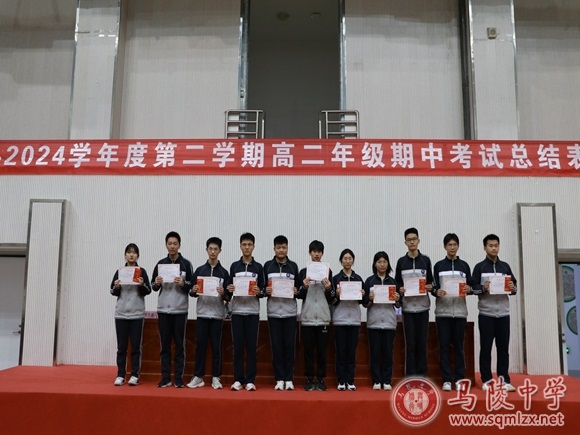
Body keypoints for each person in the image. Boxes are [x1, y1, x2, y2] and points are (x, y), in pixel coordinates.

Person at [472, 234, 518, 392]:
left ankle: (504, 380)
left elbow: (514, 287)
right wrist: (483, 288)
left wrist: (512, 288)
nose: (494, 248)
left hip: (503, 313)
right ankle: (486, 380)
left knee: (503, 348)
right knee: (486, 347)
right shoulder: (479, 267)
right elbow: (473, 287)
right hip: (486, 314)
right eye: (490, 246)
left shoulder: (505, 267)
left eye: (496, 245)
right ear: (484, 247)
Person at [151, 231, 193, 388]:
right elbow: (153, 286)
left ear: (179, 245)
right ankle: (165, 377)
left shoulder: (186, 264)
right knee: (165, 346)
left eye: (175, 243)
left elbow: (192, 288)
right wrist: (157, 282)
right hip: (163, 310)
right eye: (170, 244)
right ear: (166, 245)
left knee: (180, 346)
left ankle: (178, 378)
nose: (172, 246)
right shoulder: (161, 264)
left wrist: (183, 284)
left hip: (180, 310)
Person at [187, 237, 230, 390]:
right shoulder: (200, 271)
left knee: (216, 347)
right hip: (202, 314)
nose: (213, 252)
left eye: (215, 249)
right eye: (210, 249)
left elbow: (228, 297)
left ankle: (216, 377)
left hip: (217, 315)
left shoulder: (224, 273)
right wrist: (194, 290)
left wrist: (224, 293)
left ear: (220, 251)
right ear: (206, 250)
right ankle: (198, 376)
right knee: (200, 346)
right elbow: (191, 292)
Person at [432, 233, 473, 391]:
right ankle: (447, 380)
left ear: (458, 246)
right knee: (443, 347)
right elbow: (433, 287)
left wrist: (469, 289)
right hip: (443, 313)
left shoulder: (464, 266)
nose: (452, 247)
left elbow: (471, 286)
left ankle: (460, 379)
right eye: (449, 245)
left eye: (455, 244)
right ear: (444, 247)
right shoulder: (439, 266)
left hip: (460, 312)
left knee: (459, 348)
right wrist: (436, 292)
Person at [296, 240, 337, 392]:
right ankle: (309, 379)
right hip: (307, 318)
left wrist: (329, 288)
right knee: (308, 351)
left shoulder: (328, 272)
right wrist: (304, 286)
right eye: (314, 251)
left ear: (322, 253)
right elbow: (298, 294)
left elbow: (332, 298)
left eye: (319, 251)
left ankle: (320, 379)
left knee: (321, 351)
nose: (316, 254)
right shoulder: (303, 272)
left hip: (323, 317)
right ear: (310, 253)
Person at [226, 233, 265, 391]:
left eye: (249, 244)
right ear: (240, 246)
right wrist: (229, 289)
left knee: (251, 347)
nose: (247, 247)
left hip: (252, 313)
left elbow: (263, 291)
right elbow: (228, 292)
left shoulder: (258, 267)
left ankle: (250, 380)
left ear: (253, 246)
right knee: (237, 347)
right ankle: (238, 379)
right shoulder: (234, 267)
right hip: (237, 312)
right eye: (244, 244)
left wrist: (258, 291)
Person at [110, 243, 151, 386]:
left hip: (136, 314)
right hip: (121, 314)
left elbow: (148, 290)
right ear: (125, 255)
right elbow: (112, 291)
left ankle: (134, 374)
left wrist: (141, 285)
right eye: (129, 252)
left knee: (135, 346)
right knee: (121, 347)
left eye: (134, 252)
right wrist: (116, 286)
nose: (131, 255)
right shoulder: (120, 271)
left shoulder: (142, 272)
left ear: (138, 255)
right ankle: (121, 374)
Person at [395, 227, 433, 378]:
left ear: (419, 241)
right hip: (408, 309)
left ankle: (422, 376)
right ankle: (410, 376)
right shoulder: (401, 262)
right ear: (405, 242)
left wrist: (430, 286)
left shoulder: (425, 260)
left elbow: (431, 282)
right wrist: (400, 289)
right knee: (410, 344)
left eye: (414, 239)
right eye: (409, 240)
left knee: (422, 344)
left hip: (423, 308)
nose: (412, 242)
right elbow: (397, 283)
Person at [263, 235, 301, 391]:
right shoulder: (267, 266)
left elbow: (299, 289)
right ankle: (279, 378)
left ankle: (289, 378)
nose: (281, 250)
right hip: (273, 313)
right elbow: (262, 288)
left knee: (289, 346)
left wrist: (296, 290)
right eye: (278, 247)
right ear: (274, 249)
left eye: (284, 247)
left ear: (287, 248)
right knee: (277, 347)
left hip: (289, 313)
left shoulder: (293, 267)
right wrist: (266, 290)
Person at [363, 251, 401, 390]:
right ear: (375, 264)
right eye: (379, 262)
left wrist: (397, 299)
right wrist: (369, 298)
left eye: (384, 261)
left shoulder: (393, 282)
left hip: (389, 323)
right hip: (374, 323)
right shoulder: (369, 281)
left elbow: (398, 305)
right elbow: (364, 303)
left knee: (388, 353)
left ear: (388, 264)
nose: (382, 264)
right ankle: (377, 381)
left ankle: (387, 380)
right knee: (375, 353)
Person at [331, 248, 364, 391]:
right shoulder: (336, 279)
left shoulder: (358, 279)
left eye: (350, 258)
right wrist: (336, 295)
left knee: (351, 352)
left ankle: (350, 380)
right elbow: (331, 301)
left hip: (355, 320)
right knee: (341, 351)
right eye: (345, 258)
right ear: (341, 261)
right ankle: (341, 380)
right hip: (340, 319)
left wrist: (363, 294)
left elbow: (364, 302)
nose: (347, 261)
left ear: (353, 260)